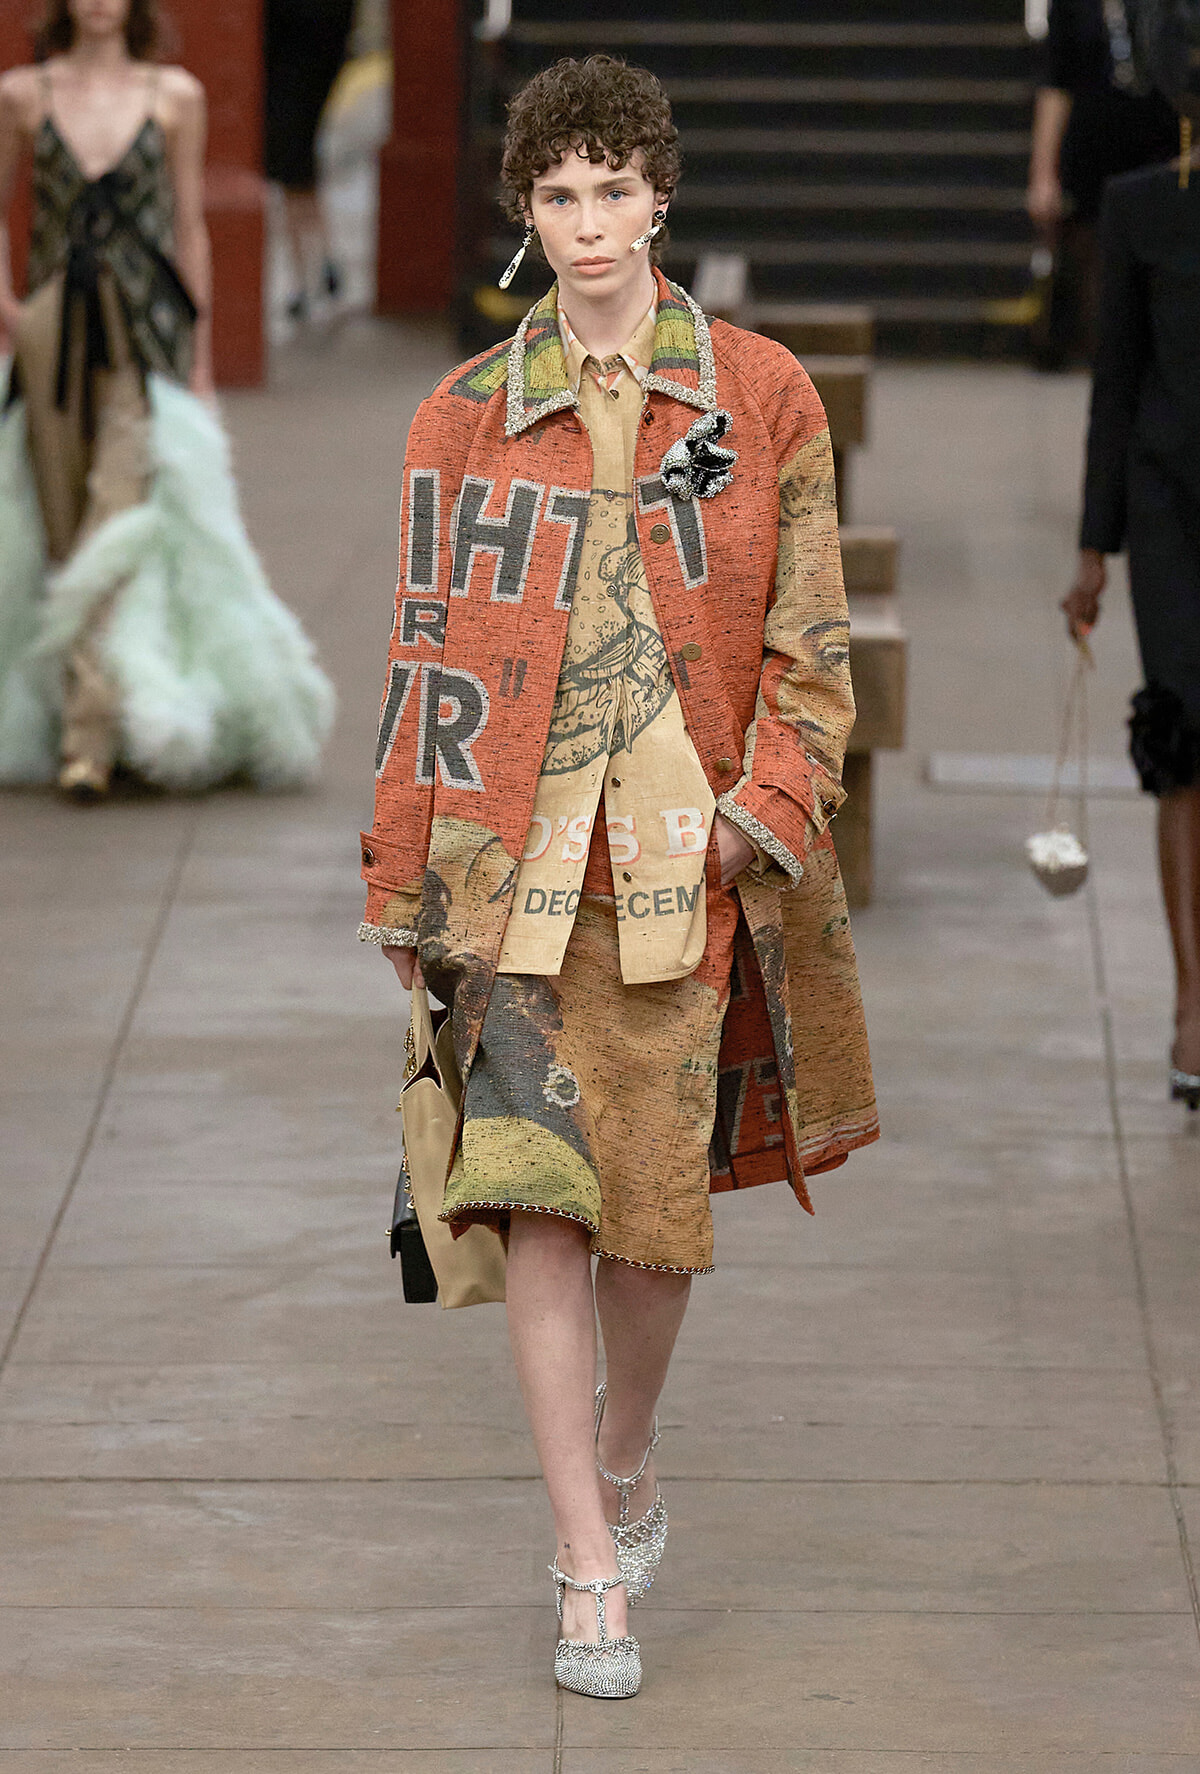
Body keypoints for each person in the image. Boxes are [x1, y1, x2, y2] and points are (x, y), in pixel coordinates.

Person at [360, 55, 878, 1696]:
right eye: (559, 194)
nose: (590, 223)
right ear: (526, 210)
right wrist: (405, 871)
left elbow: (811, 636)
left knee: (653, 1221)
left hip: (681, 857)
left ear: (664, 195)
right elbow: (425, 649)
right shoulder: (463, 410)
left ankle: (629, 1442)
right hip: (514, 857)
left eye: (615, 188)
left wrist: (760, 811)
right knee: (535, 1197)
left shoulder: (763, 397)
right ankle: (587, 1557)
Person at [0, 0, 334, 798]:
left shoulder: (174, 96)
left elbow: (190, 227)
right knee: (62, 529)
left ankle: (90, 736)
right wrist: (9, 312)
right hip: (50, 343)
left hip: (145, 343)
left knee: (115, 523)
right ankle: (85, 717)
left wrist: (202, 360)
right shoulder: (22, 95)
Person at [1062, 0, 1200, 1110]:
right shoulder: (1141, 208)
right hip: (1168, 512)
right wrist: (1092, 549)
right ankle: (1192, 1003)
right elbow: (1116, 382)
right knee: (1184, 741)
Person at [1028, 0, 1176, 367]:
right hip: (1092, 154)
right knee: (1094, 267)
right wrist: (1043, 173)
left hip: (1159, 151)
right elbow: (1055, 83)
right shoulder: (1073, 6)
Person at [263, 0, 356, 323]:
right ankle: (321, 267)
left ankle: (307, 278)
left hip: (288, 80)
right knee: (300, 177)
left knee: (294, 179)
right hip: (311, 77)